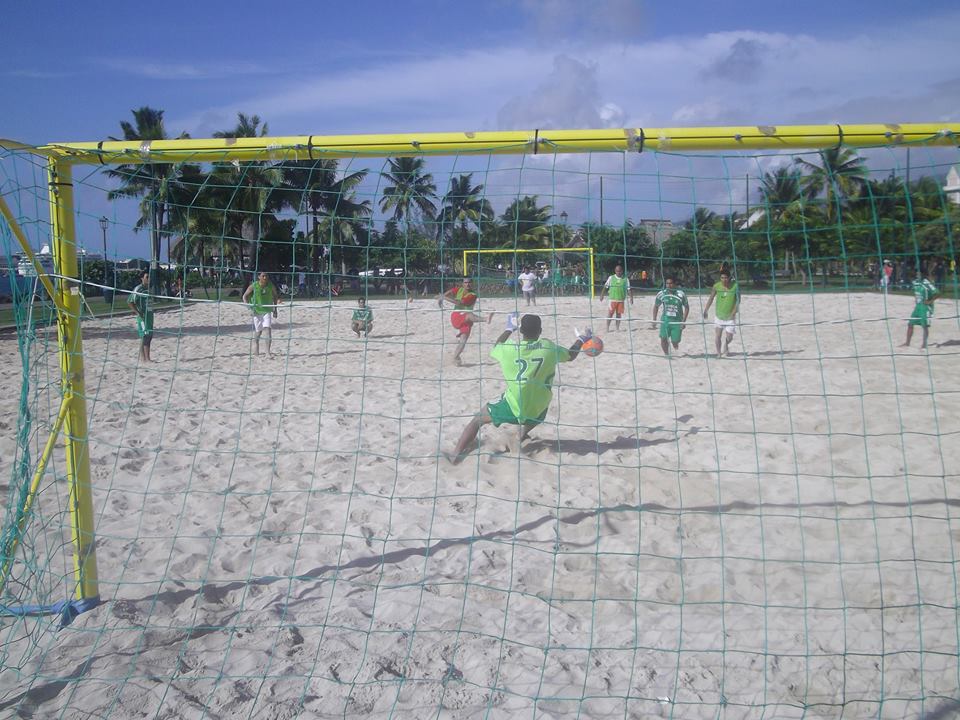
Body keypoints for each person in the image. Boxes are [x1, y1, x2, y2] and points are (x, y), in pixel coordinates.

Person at [448, 313, 588, 464]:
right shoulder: (548, 347)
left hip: (514, 406)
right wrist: (581, 339)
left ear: (521, 331)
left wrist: (509, 329)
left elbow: (496, 346)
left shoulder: (510, 349)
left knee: (477, 419)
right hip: (538, 408)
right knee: (540, 403)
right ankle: (520, 433)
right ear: (540, 331)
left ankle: (455, 455)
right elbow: (571, 355)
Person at [439, 277, 494, 366]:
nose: (467, 284)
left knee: (463, 341)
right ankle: (485, 319)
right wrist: (441, 298)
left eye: (469, 282)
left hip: (467, 320)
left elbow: (460, 303)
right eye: (465, 282)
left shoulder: (473, 295)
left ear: (472, 284)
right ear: (463, 284)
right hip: (456, 316)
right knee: (469, 314)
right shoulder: (459, 289)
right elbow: (450, 292)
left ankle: (455, 357)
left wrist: (444, 297)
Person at [702, 269, 740, 357]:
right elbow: (711, 298)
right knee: (718, 336)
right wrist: (706, 310)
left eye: (725, 278)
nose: (724, 280)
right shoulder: (716, 286)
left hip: (730, 317)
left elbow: (738, 300)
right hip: (719, 316)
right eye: (722, 278)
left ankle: (726, 344)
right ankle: (718, 353)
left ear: (729, 278)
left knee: (730, 337)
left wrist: (733, 313)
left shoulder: (735, 286)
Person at [242, 272, 280, 357]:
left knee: (268, 330)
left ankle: (267, 353)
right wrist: (249, 308)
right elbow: (244, 297)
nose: (265, 277)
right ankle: (256, 349)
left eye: (266, 276)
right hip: (256, 311)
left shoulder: (270, 285)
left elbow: (275, 296)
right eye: (263, 276)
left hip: (267, 311)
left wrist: (275, 309)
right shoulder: (254, 286)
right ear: (259, 277)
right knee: (258, 332)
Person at [901, 267, 938, 349]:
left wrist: (930, 301)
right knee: (910, 324)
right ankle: (907, 343)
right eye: (917, 273)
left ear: (923, 274)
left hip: (925, 307)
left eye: (919, 273)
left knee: (924, 326)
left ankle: (924, 345)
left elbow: (937, 293)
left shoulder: (927, 283)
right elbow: (916, 291)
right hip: (917, 307)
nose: (917, 274)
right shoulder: (916, 282)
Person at [651, 276, 689, 355]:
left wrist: (683, 321)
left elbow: (687, 307)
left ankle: (675, 344)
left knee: (675, 341)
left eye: (671, 283)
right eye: (667, 283)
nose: (669, 285)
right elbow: (656, 306)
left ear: (674, 284)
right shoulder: (662, 293)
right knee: (663, 338)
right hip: (665, 320)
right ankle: (667, 355)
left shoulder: (681, 294)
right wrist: (654, 319)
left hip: (677, 321)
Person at [128, 271, 154, 362]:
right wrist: (138, 312)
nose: (149, 279)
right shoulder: (138, 289)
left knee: (148, 335)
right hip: (142, 317)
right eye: (147, 277)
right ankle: (146, 359)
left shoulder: (149, 289)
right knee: (145, 336)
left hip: (149, 316)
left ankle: (144, 358)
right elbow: (130, 302)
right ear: (142, 278)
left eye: (149, 277)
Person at [599, 264, 633, 331]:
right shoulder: (611, 278)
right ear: (615, 271)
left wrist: (631, 298)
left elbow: (629, 289)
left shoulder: (625, 279)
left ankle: (617, 328)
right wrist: (602, 295)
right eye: (617, 271)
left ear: (622, 271)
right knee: (610, 314)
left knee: (618, 314)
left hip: (621, 300)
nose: (618, 272)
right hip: (612, 300)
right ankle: (607, 327)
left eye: (620, 271)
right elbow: (605, 287)